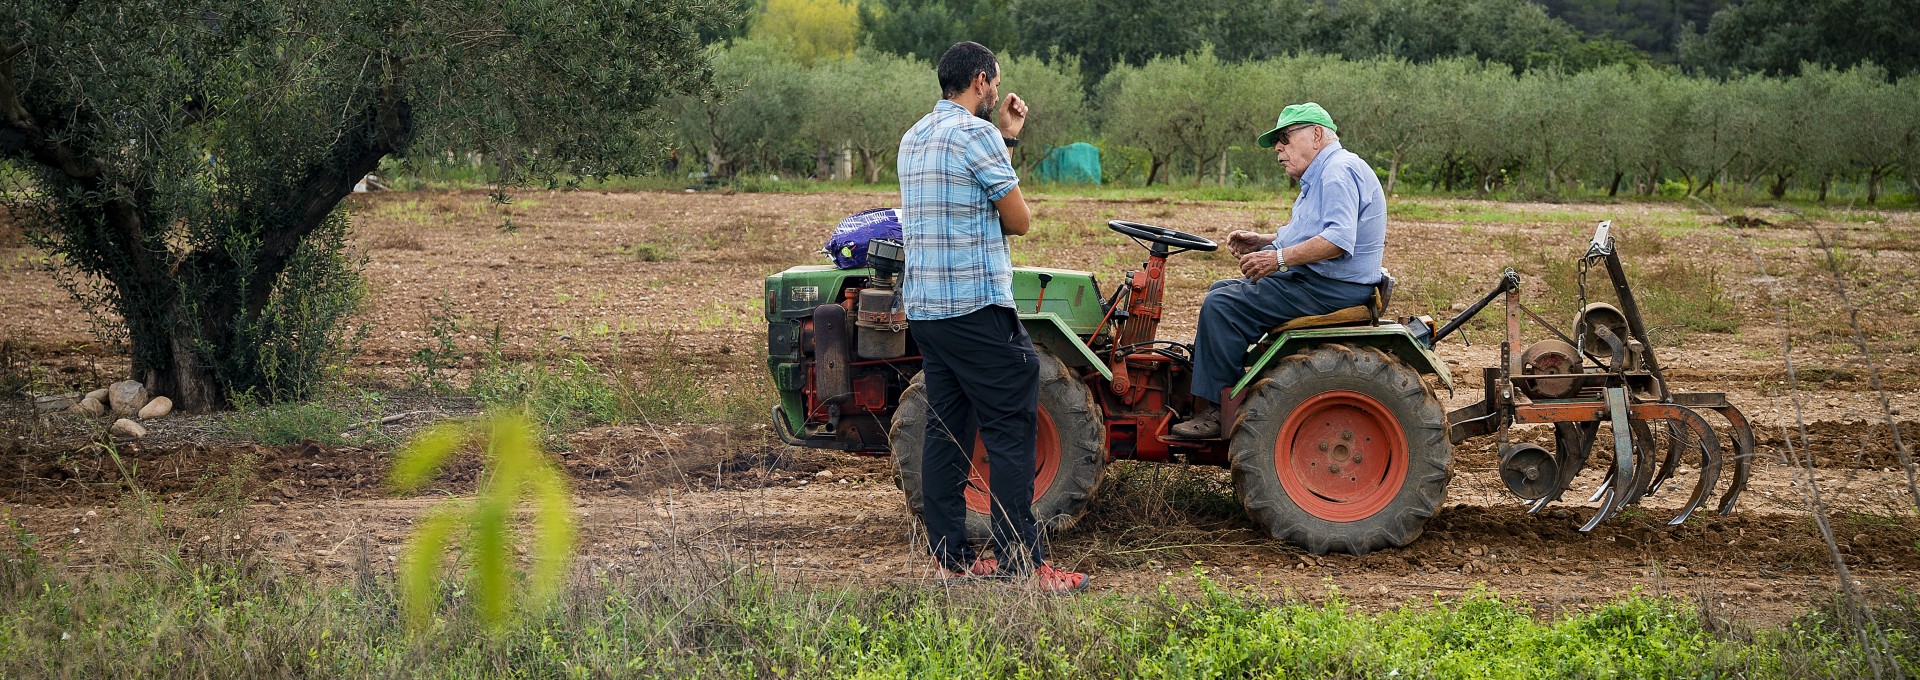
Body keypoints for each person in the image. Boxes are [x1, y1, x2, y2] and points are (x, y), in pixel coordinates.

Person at [896, 41, 1089, 594]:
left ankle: (950, 559)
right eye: (995, 82)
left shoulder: (914, 137)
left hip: (929, 310)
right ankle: (1021, 563)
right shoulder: (973, 135)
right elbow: (1018, 219)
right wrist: (999, 139)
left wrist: (1005, 137)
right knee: (1010, 428)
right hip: (977, 306)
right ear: (982, 80)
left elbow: (963, 194)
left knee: (945, 429)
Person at [1170, 103, 1387, 439]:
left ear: (1316, 135)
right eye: (1277, 142)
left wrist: (1278, 259)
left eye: (1285, 138)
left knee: (1223, 306)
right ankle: (1219, 386)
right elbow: (1314, 231)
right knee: (1220, 291)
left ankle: (1217, 409)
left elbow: (1338, 239)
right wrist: (1265, 241)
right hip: (1324, 281)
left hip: (1330, 288)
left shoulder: (1336, 172)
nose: (1278, 149)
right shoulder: (1324, 175)